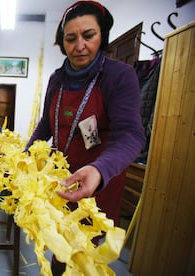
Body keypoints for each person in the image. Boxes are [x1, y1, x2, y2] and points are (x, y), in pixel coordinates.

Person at [25, 1, 146, 274]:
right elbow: (46, 124)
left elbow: (131, 134)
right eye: (71, 38)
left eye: (88, 36)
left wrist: (99, 170)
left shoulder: (119, 76)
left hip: (96, 183)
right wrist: (26, 155)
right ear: (62, 42)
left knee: (83, 256)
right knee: (59, 248)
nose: (79, 45)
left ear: (102, 36)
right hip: (60, 181)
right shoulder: (57, 79)